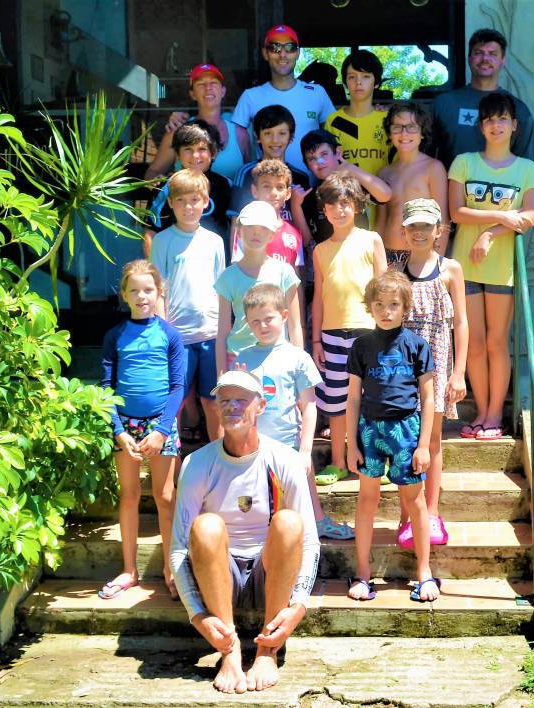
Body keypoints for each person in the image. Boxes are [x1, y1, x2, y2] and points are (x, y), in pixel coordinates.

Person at [169, 369, 320, 694]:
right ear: (216, 407)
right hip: (218, 576)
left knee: (289, 522)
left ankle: (268, 649)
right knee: (206, 526)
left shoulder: (285, 459)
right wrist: (197, 615)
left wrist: (298, 606)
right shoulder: (197, 463)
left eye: (241, 400)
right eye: (225, 400)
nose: (232, 406)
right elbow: (179, 546)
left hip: (270, 574)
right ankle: (230, 651)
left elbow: (309, 541)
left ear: (260, 406)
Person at [449, 92, 534, 441]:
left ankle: (494, 416)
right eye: (489, 119)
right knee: (473, 343)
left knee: (496, 342)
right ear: (481, 126)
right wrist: (502, 216)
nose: (496, 125)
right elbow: (456, 211)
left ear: (514, 125)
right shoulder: (463, 162)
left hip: (502, 269)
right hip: (465, 266)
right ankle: (480, 412)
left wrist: (490, 232)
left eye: (502, 119)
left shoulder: (527, 169)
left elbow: (530, 216)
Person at [345, 271, 439, 603]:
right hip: (370, 429)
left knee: (415, 501)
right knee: (367, 500)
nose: (386, 311)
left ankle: (424, 573)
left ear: (405, 308)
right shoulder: (361, 346)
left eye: (394, 305)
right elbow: (353, 398)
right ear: (369, 307)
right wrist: (351, 443)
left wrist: (423, 445)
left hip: (406, 429)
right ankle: (362, 572)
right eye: (379, 304)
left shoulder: (417, 345)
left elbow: (428, 398)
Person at [234, 284, 354, 541]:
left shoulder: (297, 357)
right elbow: (236, 405)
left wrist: (306, 449)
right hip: (254, 446)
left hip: (289, 443)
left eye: (269, 318)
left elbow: (309, 405)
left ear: (284, 316)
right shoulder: (242, 359)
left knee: (302, 491)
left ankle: (317, 522)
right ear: (247, 323)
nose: (263, 326)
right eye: (255, 321)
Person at [99, 261, 185, 600]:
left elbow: (177, 387)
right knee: (130, 495)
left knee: (165, 497)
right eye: (134, 290)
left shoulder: (170, 335)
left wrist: (161, 430)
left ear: (159, 292)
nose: (141, 296)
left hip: (160, 425)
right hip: (126, 425)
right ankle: (129, 570)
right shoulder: (114, 336)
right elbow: (106, 388)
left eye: (148, 290)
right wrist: (118, 431)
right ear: (123, 294)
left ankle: (172, 569)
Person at [390, 199, 468, 549]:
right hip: (402, 369)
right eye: (413, 226)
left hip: (436, 367)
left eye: (426, 226)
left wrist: (458, 373)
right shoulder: (395, 271)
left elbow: (461, 323)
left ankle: (432, 512)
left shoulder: (451, 269)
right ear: (403, 231)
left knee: (432, 440)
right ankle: (408, 514)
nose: (419, 232)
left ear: (439, 230)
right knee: (405, 441)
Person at [311, 173, 387, 486]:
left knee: (373, 399)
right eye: (332, 205)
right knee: (335, 402)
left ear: (356, 205)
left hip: (369, 332)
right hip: (331, 335)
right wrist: (316, 340)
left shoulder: (372, 240)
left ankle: (374, 460)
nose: (339, 210)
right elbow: (318, 297)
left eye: (345, 203)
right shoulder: (320, 250)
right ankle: (338, 462)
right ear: (324, 211)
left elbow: (384, 288)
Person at [150, 169, 227, 441]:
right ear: (170, 203)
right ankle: (172, 460)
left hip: (210, 335)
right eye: (180, 201)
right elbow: (157, 290)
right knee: (175, 402)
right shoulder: (162, 241)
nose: (188, 207)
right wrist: (164, 333)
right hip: (177, 338)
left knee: (212, 401)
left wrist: (224, 331)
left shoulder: (214, 241)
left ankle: (218, 458)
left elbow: (222, 289)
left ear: (206, 202)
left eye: (194, 200)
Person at [232, 24, 335, 175]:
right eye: (275, 48)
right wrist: (249, 165)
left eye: (290, 47)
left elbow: (333, 135)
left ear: (297, 53)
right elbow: (238, 136)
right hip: (267, 183)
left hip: (312, 183)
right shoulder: (250, 96)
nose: (282, 54)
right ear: (265, 53)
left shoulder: (317, 93)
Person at [215, 201, 303, 375]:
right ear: (239, 230)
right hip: (238, 359)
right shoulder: (227, 277)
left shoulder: (285, 272)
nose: (256, 232)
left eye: (263, 228)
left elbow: (294, 326)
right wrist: (221, 375)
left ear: (272, 234)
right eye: (249, 227)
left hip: (277, 358)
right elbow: (223, 332)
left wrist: (299, 370)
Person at [430, 28, 534, 169]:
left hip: (501, 184)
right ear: (469, 58)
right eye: (478, 53)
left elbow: (527, 166)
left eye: (492, 54)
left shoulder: (518, 109)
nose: (485, 59)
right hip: (452, 183)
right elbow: (423, 160)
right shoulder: (443, 104)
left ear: (502, 61)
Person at [376, 102, 450, 266]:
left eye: (411, 127)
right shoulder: (384, 173)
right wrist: (378, 261)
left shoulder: (433, 168)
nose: (404, 133)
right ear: (389, 133)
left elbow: (443, 219)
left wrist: (437, 263)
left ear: (422, 132)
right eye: (397, 127)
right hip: (389, 255)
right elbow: (380, 222)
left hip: (422, 257)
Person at [143, 121, 231, 257]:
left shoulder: (225, 186)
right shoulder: (165, 188)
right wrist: (155, 269)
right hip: (173, 264)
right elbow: (150, 233)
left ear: (213, 153)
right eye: (188, 149)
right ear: (178, 154)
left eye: (202, 149)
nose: (195, 155)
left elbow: (236, 229)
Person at [291, 129, 392, 248]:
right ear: (307, 165)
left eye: (324, 154)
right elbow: (307, 242)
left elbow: (385, 195)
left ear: (338, 152)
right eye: (312, 159)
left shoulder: (354, 186)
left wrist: (350, 168)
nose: (319, 161)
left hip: (360, 255)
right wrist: (295, 206)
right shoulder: (310, 197)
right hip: (326, 258)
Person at [147, 63, 246, 183]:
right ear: (192, 94)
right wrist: (158, 182)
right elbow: (152, 172)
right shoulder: (177, 130)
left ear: (223, 91)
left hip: (227, 194)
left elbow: (250, 175)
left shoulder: (240, 133)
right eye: (201, 84)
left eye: (213, 82)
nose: (208, 87)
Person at [229, 105, 311, 227]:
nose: (275, 140)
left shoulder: (301, 178)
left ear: (291, 136)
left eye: (282, 133)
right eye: (268, 133)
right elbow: (236, 222)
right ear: (257, 136)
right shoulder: (246, 173)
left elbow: (306, 227)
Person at [324, 50, 389, 177]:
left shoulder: (387, 119)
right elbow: (329, 166)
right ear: (345, 83)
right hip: (345, 189)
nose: (358, 82)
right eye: (352, 77)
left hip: (383, 188)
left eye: (366, 76)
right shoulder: (335, 120)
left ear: (376, 83)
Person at [232, 159, 305, 272]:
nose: (273, 193)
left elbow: (297, 277)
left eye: (280, 187)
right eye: (266, 186)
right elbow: (237, 271)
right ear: (255, 190)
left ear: (288, 193)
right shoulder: (245, 229)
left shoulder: (294, 235)